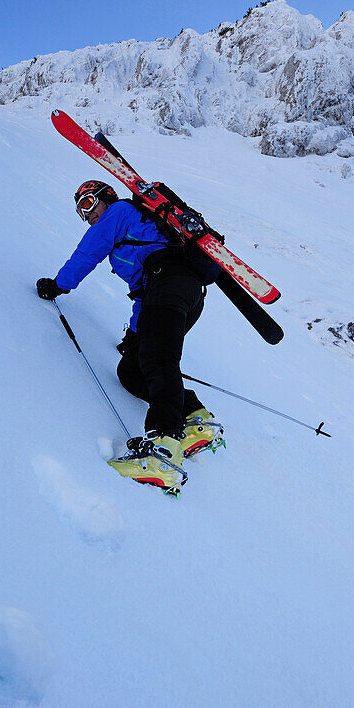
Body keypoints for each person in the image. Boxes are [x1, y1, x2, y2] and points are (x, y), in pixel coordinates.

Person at [37, 180, 223, 490]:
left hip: (171, 284)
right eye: (80, 210)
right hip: (179, 295)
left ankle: (163, 451)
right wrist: (135, 335)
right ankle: (197, 419)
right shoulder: (131, 232)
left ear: (106, 199)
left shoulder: (120, 212)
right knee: (132, 370)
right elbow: (142, 293)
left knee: (157, 358)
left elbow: (87, 253)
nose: (87, 215)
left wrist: (58, 285)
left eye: (88, 204)